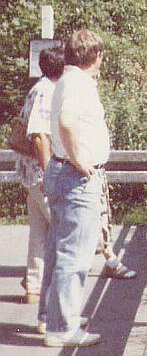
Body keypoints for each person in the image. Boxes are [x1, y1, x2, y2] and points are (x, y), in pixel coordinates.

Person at [38, 29, 108, 347]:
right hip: (75, 176)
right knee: (75, 255)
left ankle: (51, 317)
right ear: (96, 56)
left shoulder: (68, 81)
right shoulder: (78, 83)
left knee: (58, 249)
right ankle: (62, 328)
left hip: (61, 171)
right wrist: (80, 160)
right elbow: (66, 122)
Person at [16, 47, 65, 304]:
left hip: (31, 173)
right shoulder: (46, 92)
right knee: (64, 229)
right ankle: (57, 298)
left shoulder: (39, 88)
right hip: (40, 173)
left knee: (39, 233)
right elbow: (38, 135)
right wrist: (49, 175)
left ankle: (33, 287)